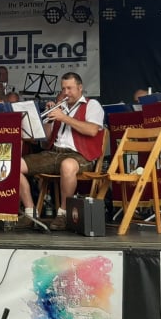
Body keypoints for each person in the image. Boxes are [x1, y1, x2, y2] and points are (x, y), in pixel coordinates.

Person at [15, 72, 105, 231]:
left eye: (70, 88)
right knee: (13, 165)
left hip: (80, 155)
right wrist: (49, 121)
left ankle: (63, 213)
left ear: (80, 87)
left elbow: (92, 130)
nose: (66, 92)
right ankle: (30, 212)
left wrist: (64, 118)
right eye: (63, 88)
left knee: (67, 166)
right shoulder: (61, 106)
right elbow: (46, 140)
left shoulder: (92, 105)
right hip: (54, 153)